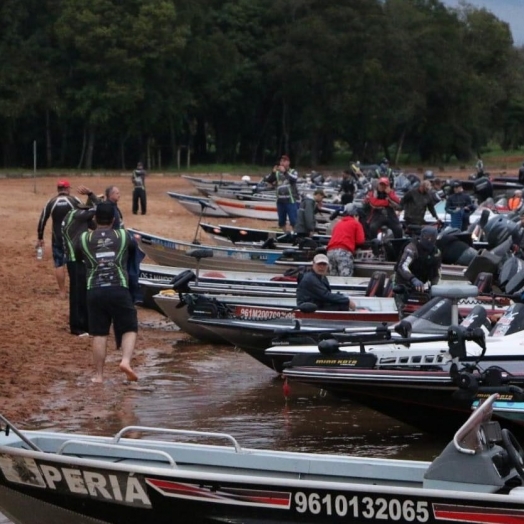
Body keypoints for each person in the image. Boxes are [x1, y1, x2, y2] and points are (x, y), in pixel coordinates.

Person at [77, 201, 138, 383]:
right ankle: (125, 361)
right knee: (129, 327)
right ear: (113, 219)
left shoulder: (84, 238)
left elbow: (79, 256)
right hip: (118, 287)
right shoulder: (123, 235)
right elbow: (134, 251)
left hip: (94, 289)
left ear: (95, 219)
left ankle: (99, 376)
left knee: (99, 333)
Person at [37, 179, 82, 298]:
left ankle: (62, 292)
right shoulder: (74, 200)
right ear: (67, 189)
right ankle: (75, 291)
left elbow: (42, 220)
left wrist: (40, 237)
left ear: (58, 189)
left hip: (57, 237)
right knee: (74, 263)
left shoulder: (51, 202)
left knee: (59, 264)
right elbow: (84, 214)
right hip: (73, 238)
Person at [62, 197, 98, 335]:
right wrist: (93, 196)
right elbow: (98, 209)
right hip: (74, 259)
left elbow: (94, 225)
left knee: (83, 292)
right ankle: (76, 327)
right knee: (77, 294)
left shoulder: (78, 217)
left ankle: (85, 324)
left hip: (78, 259)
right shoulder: (75, 214)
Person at [393, 226, 442, 315]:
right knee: (404, 312)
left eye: (431, 238)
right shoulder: (412, 248)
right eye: (427, 238)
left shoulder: (436, 252)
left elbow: (437, 273)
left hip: (422, 289)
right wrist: (413, 279)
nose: (429, 240)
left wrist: (434, 287)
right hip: (403, 285)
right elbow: (402, 266)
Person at [326, 203, 366, 276]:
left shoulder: (338, 223)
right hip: (343, 252)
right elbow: (360, 241)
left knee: (333, 278)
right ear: (356, 215)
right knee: (345, 278)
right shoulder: (356, 224)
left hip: (330, 252)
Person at [264, 155, 300, 231]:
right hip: (280, 201)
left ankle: (296, 236)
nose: (282, 163)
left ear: (288, 162)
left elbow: (294, 179)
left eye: (284, 161)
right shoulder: (277, 173)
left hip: (290, 200)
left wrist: (285, 172)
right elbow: (268, 180)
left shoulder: (293, 171)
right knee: (281, 221)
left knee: (294, 221)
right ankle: (284, 235)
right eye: (281, 161)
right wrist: (273, 173)